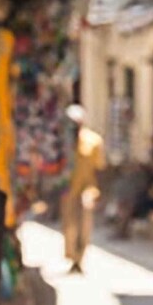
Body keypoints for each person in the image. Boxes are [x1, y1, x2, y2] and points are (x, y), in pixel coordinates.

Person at [62, 105, 106, 274]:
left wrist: (99, 192)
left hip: (88, 188)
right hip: (69, 188)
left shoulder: (93, 141)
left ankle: (80, 258)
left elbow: (99, 167)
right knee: (69, 225)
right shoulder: (63, 143)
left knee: (85, 223)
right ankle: (72, 256)